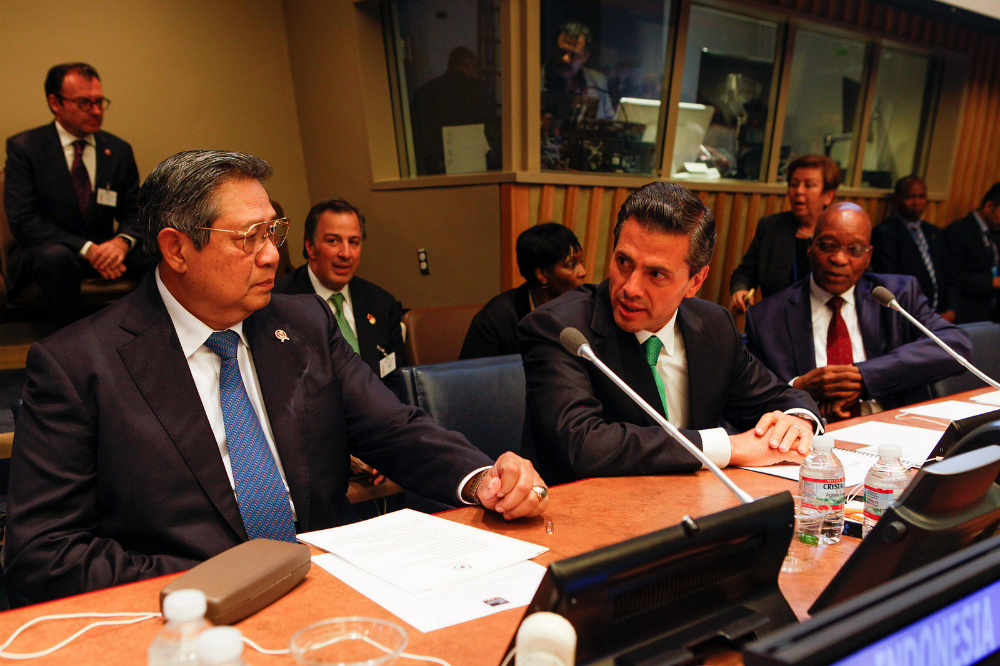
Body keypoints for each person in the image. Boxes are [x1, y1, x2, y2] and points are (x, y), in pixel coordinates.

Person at [3, 150, 548, 607]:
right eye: (249, 237)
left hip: (333, 592)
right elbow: (45, 553)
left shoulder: (304, 323)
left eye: (275, 231)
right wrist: (219, 579)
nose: (272, 255)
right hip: (191, 615)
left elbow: (396, 430)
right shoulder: (80, 365)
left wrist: (482, 479)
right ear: (175, 249)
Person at [518, 182, 820, 487]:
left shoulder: (713, 325)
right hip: (588, 518)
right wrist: (731, 448)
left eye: (656, 274)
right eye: (623, 262)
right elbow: (583, 445)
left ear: (695, 281)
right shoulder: (561, 329)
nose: (630, 288)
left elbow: (779, 397)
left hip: (694, 507)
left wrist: (797, 422)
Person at [745, 202, 970, 422]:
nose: (839, 259)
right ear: (810, 246)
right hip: (813, 438)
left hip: (893, 428)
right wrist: (800, 390)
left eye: (855, 249)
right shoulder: (766, 317)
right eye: (828, 245)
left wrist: (864, 377)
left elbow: (956, 346)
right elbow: (748, 399)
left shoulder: (897, 296)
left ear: (868, 256)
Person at [3, 62, 146, 327]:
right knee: (55, 257)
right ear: (55, 103)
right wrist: (87, 249)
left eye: (99, 101)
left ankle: (150, 341)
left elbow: (134, 213)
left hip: (104, 250)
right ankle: (63, 352)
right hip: (46, 254)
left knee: (158, 250)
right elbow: (25, 222)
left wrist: (121, 243)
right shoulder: (25, 148)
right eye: (84, 103)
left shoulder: (117, 150)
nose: (96, 111)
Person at [272, 198, 405, 391]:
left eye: (354, 242)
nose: (346, 253)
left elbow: (395, 380)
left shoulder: (382, 304)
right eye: (333, 241)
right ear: (310, 247)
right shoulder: (277, 301)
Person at [730, 155, 841, 313]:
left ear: (828, 195)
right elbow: (746, 272)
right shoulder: (771, 227)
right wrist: (740, 289)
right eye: (794, 184)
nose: (799, 191)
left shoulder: (840, 234)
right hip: (775, 318)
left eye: (809, 185)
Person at [460, 223, 587, 359]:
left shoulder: (589, 307)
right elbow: (473, 375)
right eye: (571, 265)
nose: (583, 272)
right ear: (542, 275)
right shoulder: (497, 318)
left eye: (581, 262)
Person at [871, 176, 954, 320]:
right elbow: (891, 280)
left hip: (941, 315)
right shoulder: (885, 233)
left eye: (921, 196)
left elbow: (950, 274)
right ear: (897, 199)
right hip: (908, 316)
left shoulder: (934, 232)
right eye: (910, 197)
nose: (916, 202)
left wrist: (952, 310)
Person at [409, 46, 501, 176]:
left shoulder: (425, 92)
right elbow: (489, 128)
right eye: (475, 69)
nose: (476, 74)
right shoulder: (477, 91)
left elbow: (414, 132)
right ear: (468, 66)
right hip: (470, 162)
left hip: (431, 167)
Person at [943, 183, 1000, 324]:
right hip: (966, 313)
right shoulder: (958, 232)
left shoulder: (995, 232)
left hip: (991, 312)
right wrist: (991, 282)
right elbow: (952, 277)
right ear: (989, 206)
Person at [541, 21, 614, 123]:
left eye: (573, 55)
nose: (565, 59)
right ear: (554, 49)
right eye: (561, 51)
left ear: (586, 56)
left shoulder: (598, 81)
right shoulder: (536, 80)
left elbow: (609, 123)